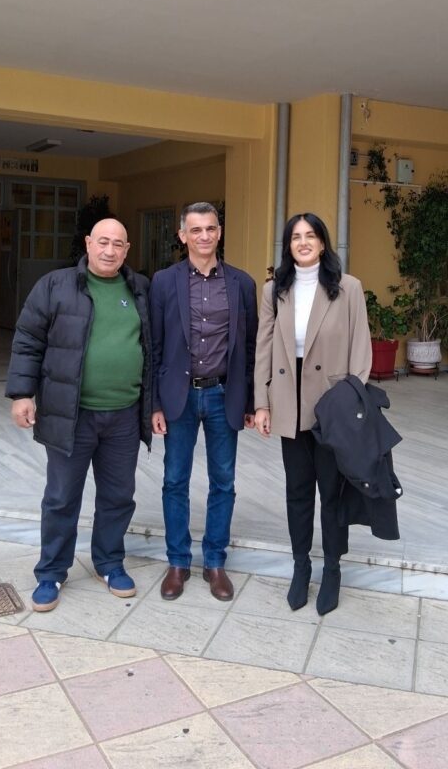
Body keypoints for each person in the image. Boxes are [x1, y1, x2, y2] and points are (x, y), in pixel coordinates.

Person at [6, 218, 152, 612]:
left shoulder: (140, 289)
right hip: (71, 414)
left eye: (118, 244)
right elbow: (28, 339)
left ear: (127, 249)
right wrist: (22, 393)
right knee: (61, 497)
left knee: (118, 496)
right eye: (103, 242)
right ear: (88, 244)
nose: (109, 250)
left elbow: (152, 348)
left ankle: (110, 563)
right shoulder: (55, 285)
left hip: (124, 415)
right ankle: (52, 572)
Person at [253, 212, 372, 615]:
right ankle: (300, 566)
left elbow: (361, 348)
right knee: (298, 491)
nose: (303, 242)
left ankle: (332, 568)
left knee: (332, 493)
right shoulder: (274, 290)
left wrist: (352, 401)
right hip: (289, 400)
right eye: (295, 237)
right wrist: (262, 402)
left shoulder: (347, 287)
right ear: (288, 246)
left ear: (322, 243)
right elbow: (263, 348)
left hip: (332, 404)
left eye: (310, 235)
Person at [150, 202, 258, 601]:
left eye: (211, 228)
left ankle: (214, 562)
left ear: (219, 232)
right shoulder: (164, 282)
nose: (204, 236)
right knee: (174, 480)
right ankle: (178, 562)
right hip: (178, 397)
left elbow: (250, 348)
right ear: (183, 236)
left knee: (223, 482)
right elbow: (154, 346)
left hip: (223, 395)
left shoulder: (242, 283)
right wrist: (154, 404)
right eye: (195, 230)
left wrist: (250, 401)